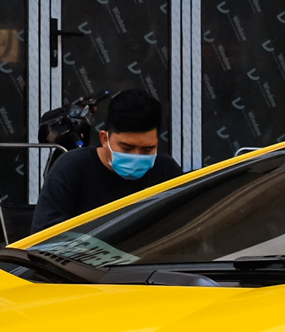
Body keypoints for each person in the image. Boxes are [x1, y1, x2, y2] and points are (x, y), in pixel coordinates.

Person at [31, 89, 185, 230]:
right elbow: (44, 236)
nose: (136, 156)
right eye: (126, 148)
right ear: (105, 138)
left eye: (147, 149)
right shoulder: (71, 168)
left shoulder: (166, 171)